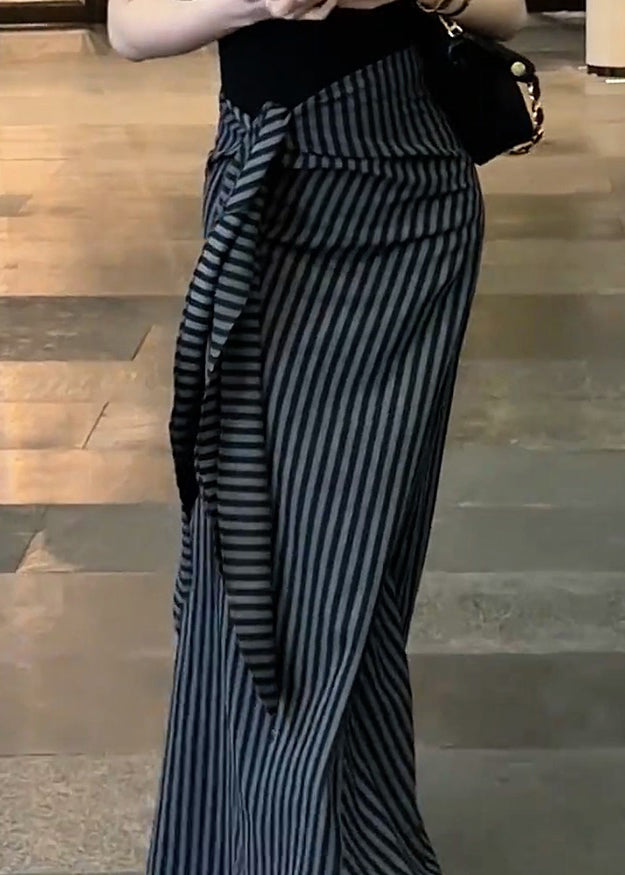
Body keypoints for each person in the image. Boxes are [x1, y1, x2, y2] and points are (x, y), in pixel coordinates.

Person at [108, 1, 527, 873]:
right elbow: (128, 26)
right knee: (245, 546)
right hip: (263, 194)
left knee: (352, 561)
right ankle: (270, 843)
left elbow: (509, 14)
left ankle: (324, 842)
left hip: (409, 205)